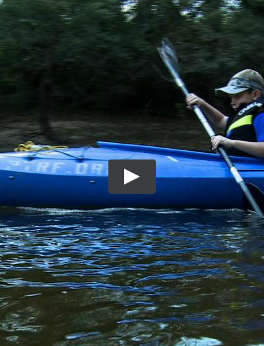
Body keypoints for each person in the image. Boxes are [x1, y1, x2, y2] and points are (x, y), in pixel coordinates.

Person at [186, 69, 264, 157]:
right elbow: (220, 120)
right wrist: (202, 104)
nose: (232, 102)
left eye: (237, 96)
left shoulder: (260, 113)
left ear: (255, 94)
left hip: (250, 168)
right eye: (231, 97)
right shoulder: (242, 115)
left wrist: (232, 143)